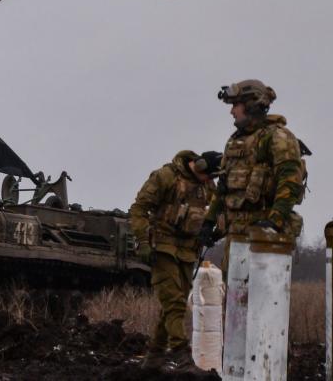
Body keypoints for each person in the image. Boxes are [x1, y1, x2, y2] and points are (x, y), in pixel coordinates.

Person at [129, 149, 223, 372]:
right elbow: (139, 209)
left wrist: (212, 232)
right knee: (175, 303)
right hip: (163, 248)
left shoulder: (207, 186)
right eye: (208, 175)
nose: (210, 181)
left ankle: (155, 355)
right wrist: (142, 240)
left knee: (174, 303)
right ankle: (181, 354)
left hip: (188, 251)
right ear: (198, 166)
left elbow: (215, 212)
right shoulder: (165, 177)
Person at [199, 79, 308, 252]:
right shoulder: (235, 141)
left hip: (264, 238)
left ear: (251, 105)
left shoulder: (278, 137)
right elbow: (223, 186)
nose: (232, 111)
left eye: (236, 105)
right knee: (233, 280)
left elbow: (290, 182)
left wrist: (274, 222)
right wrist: (209, 222)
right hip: (236, 236)